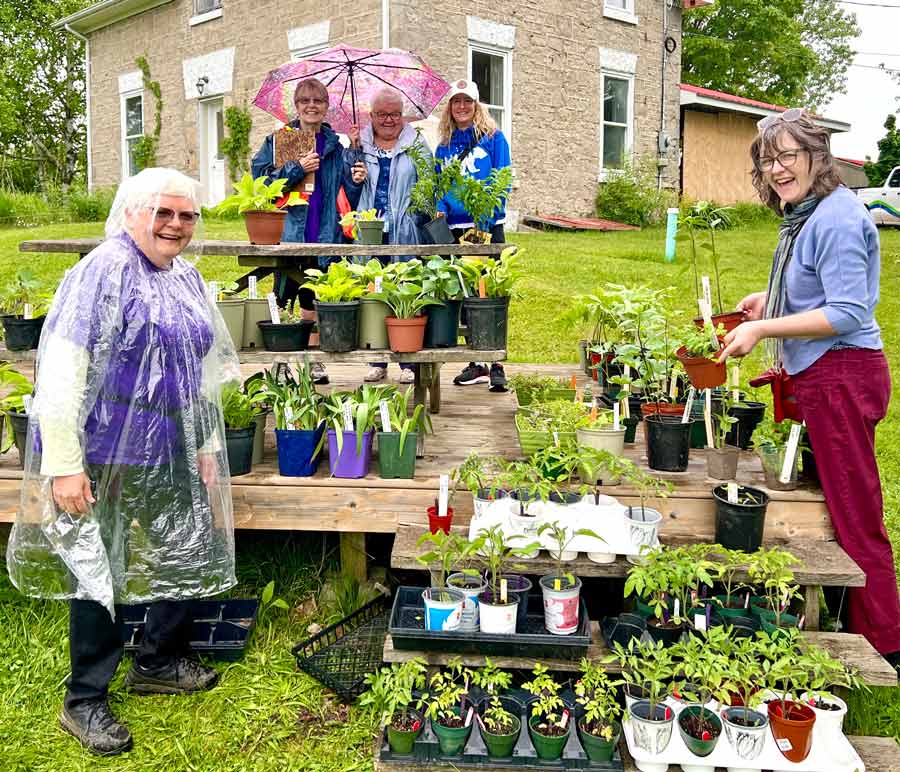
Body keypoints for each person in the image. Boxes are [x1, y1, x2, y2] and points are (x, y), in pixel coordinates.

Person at [4, 168, 242, 755]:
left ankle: (157, 661)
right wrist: (65, 464)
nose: (176, 225)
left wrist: (207, 444)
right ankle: (84, 697)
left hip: (172, 444)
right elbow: (61, 373)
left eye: (187, 215)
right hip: (108, 451)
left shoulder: (184, 277)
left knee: (184, 544)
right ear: (131, 212)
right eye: (164, 212)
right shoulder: (101, 273)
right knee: (99, 568)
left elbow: (198, 373)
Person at [718, 108, 900, 664]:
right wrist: (769, 300)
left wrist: (762, 329)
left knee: (855, 510)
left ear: (817, 157)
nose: (776, 169)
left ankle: (883, 642)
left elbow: (846, 312)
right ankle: (850, 617)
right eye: (767, 160)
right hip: (825, 373)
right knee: (835, 502)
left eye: (787, 156)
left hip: (841, 374)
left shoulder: (837, 218)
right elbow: (819, 290)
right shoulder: (809, 213)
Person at [251, 77, 367, 384]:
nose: (311, 106)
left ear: (326, 107)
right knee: (283, 296)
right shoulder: (281, 140)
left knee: (312, 298)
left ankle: (313, 363)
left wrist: (356, 178)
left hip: (325, 233)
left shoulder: (335, 146)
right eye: (305, 101)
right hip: (290, 233)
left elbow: (348, 197)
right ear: (297, 106)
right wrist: (297, 168)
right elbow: (262, 184)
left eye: (318, 101)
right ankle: (280, 363)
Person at [434, 79, 511, 392]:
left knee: (489, 293)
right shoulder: (444, 144)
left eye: (467, 101)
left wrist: (486, 219)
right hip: (456, 229)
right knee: (465, 292)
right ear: (450, 107)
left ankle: (496, 363)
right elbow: (439, 184)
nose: (462, 107)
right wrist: (440, 208)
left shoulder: (493, 138)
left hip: (486, 226)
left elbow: (503, 178)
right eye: (456, 101)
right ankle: (476, 362)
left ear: (477, 105)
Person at [357, 88, 432, 384]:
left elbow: (429, 186)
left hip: (405, 229)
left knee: (405, 291)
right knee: (374, 291)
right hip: (370, 229)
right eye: (382, 114)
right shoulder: (359, 143)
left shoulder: (417, 144)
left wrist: (415, 215)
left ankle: (408, 362)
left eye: (395, 114)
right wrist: (355, 176)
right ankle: (377, 360)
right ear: (371, 115)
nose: (389, 120)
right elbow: (347, 186)